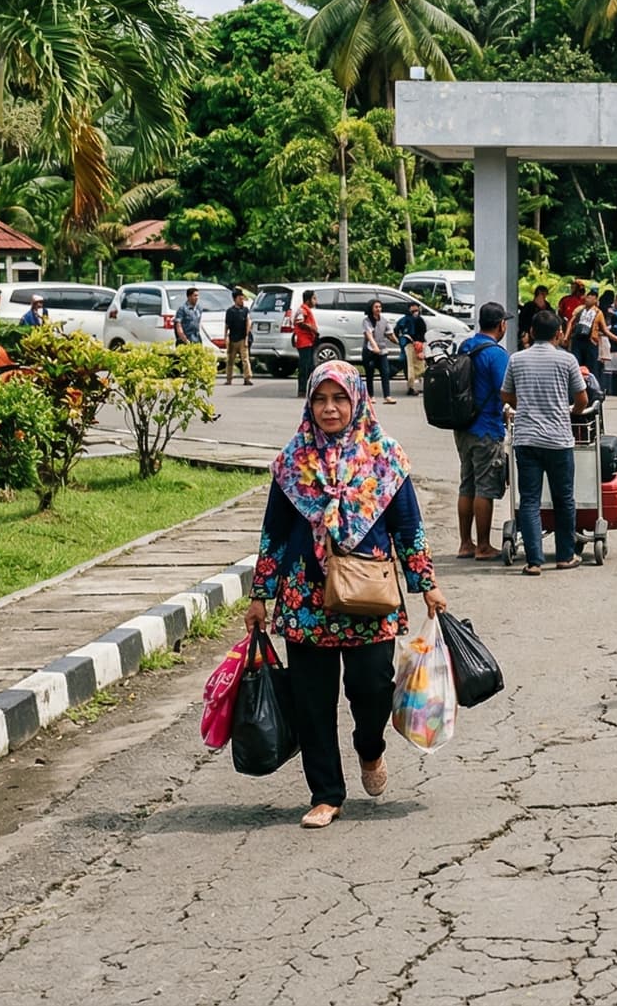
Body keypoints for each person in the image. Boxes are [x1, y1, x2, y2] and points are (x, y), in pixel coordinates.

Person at [246, 360, 444, 828]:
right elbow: (273, 533)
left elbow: (408, 528)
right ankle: (326, 793)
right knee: (311, 700)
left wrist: (427, 584)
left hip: (368, 593)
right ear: (309, 404)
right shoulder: (293, 461)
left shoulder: (385, 457)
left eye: (339, 399)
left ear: (356, 401)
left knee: (372, 686)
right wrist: (260, 593)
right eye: (320, 399)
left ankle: (369, 747)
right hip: (304, 599)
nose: (329, 409)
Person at [502, 307, 590, 576]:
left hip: (526, 438)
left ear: (529, 333)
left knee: (529, 499)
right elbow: (582, 399)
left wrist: (525, 405)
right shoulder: (567, 361)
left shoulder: (516, 360)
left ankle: (534, 561)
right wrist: (569, 412)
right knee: (564, 498)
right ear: (559, 333)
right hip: (558, 440)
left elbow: (505, 395)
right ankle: (565, 556)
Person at [452, 302, 511, 560]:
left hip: (463, 425)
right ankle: (484, 546)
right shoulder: (497, 354)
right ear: (501, 325)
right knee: (485, 487)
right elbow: (505, 390)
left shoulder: (466, 346)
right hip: (486, 427)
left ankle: (466, 543)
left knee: (467, 484)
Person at [359, 299, 397, 404]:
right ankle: (371, 396)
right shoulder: (366, 321)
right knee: (370, 374)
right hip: (370, 351)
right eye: (376, 307)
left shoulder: (384, 320)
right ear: (371, 308)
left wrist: (398, 342)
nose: (378, 309)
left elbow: (390, 334)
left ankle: (387, 396)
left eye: (380, 307)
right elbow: (369, 335)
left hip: (382, 351)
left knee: (385, 372)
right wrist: (375, 347)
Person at [394, 299, 428, 395]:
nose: (415, 312)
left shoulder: (407, 320)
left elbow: (396, 331)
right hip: (412, 345)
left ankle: (412, 386)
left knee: (416, 366)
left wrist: (400, 340)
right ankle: (411, 387)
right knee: (412, 366)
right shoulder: (410, 320)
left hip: (412, 345)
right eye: (413, 311)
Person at [290, 290, 320, 396]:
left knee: (310, 366)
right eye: (314, 298)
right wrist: (312, 329)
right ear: (308, 300)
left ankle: (309, 389)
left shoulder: (307, 310)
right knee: (305, 366)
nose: (315, 301)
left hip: (309, 341)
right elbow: (300, 322)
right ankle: (302, 389)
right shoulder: (302, 310)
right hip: (304, 341)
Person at [567, 289, 603, 375]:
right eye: (588, 297)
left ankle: (592, 387)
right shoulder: (580, 309)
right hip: (578, 340)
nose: (588, 300)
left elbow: (604, 329)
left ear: (595, 300)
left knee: (591, 368)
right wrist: (566, 337)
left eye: (591, 298)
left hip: (591, 342)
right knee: (576, 366)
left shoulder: (598, 312)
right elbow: (571, 322)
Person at [223, 287, 254, 387]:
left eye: (242, 299)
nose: (242, 301)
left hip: (242, 338)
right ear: (235, 299)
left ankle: (247, 378)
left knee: (245, 359)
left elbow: (248, 323)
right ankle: (229, 379)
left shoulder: (245, 310)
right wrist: (225, 338)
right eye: (240, 298)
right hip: (232, 338)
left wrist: (246, 338)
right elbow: (227, 325)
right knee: (230, 360)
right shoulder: (230, 311)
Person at [175, 286, 206, 351]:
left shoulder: (199, 308)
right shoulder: (182, 309)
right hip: (187, 339)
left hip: (197, 339)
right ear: (189, 297)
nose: (197, 298)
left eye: (197, 296)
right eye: (195, 295)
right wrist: (184, 339)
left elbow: (198, 323)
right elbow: (178, 325)